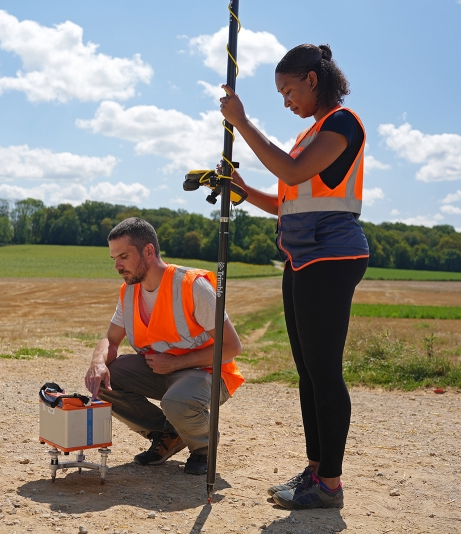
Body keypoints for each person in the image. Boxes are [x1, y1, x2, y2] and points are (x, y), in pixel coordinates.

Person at [219, 43, 369, 509]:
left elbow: (291, 168)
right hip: (302, 257)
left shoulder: (342, 124)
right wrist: (243, 189)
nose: (286, 101)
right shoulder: (310, 135)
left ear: (312, 78)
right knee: (308, 372)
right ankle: (316, 470)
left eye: (288, 90)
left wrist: (241, 122)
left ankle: (331, 484)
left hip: (332, 256)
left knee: (324, 372)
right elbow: (288, 199)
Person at [84, 217, 244, 476]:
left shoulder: (192, 286)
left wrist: (177, 363)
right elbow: (111, 340)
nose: (117, 265)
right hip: (162, 371)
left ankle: (203, 447)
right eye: (114, 258)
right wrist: (97, 363)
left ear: (148, 251)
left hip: (210, 373)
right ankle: (169, 434)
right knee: (103, 380)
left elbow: (232, 347)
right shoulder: (129, 291)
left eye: (123, 256)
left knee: (177, 402)